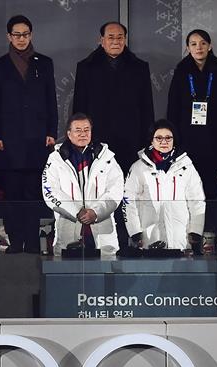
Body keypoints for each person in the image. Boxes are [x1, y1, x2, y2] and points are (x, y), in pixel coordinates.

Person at [73, 22, 153, 250]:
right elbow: (79, 109)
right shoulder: (86, 67)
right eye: (111, 37)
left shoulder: (139, 67)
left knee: (129, 193)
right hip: (97, 144)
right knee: (98, 191)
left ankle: (130, 242)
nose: (115, 41)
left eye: (120, 37)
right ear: (101, 40)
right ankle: (97, 243)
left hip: (130, 142)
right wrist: (80, 140)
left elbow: (147, 107)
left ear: (125, 40)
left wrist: (147, 142)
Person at [0, 15, 57, 253]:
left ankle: (32, 241)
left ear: (31, 35)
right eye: (17, 34)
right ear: (9, 36)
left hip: (37, 140)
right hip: (9, 142)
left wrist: (51, 132)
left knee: (34, 194)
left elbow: (51, 101)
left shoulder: (44, 63)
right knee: (13, 195)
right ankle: (16, 241)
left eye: (25, 34)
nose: (21, 39)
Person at [167, 29, 217, 203]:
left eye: (203, 43)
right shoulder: (181, 71)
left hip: (216, 134)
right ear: (188, 48)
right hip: (188, 135)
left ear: (210, 46)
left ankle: (214, 223)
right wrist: (173, 136)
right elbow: (173, 106)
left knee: (215, 180)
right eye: (193, 44)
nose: (198, 48)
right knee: (190, 180)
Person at [42, 113, 123, 257]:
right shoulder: (55, 158)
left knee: (105, 276)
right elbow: (50, 191)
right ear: (69, 133)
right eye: (78, 130)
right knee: (68, 275)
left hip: (103, 231)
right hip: (69, 228)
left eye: (86, 130)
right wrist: (76, 211)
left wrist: (96, 212)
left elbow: (116, 190)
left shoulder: (107, 157)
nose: (83, 134)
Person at [122, 119, 205, 250]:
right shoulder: (139, 168)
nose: (164, 142)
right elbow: (128, 201)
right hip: (149, 240)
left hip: (180, 239)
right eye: (159, 138)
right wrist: (135, 232)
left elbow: (197, 200)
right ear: (151, 140)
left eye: (168, 138)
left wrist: (196, 230)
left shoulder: (187, 166)